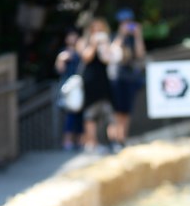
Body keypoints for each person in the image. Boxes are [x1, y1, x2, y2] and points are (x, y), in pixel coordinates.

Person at [109, 8, 147, 152]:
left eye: (129, 22)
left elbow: (140, 54)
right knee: (116, 111)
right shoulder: (114, 36)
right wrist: (121, 35)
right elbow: (113, 53)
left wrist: (138, 35)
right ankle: (114, 140)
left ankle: (122, 139)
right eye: (124, 22)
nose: (127, 25)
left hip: (130, 78)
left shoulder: (133, 38)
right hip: (117, 77)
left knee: (126, 111)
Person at [76, 17, 115, 154]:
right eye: (95, 29)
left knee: (108, 112)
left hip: (103, 81)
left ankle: (112, 142)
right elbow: (86, 57)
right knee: (90, 114)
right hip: (90, 81)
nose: (97, 32)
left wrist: (104, 45)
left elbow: (108, 59)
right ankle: (91, 143)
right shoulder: (83, 42)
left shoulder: (106, 41)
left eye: (100, 29)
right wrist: (93, 44)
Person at [54, 26, 84, 151]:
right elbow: (59, 70)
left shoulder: (81, 51)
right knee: (70, 115)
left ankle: (80, 141)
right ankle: (67, 141)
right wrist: (60, 59)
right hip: (68, 87)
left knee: (81, 115)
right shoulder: (63, 53)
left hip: (80, 85)